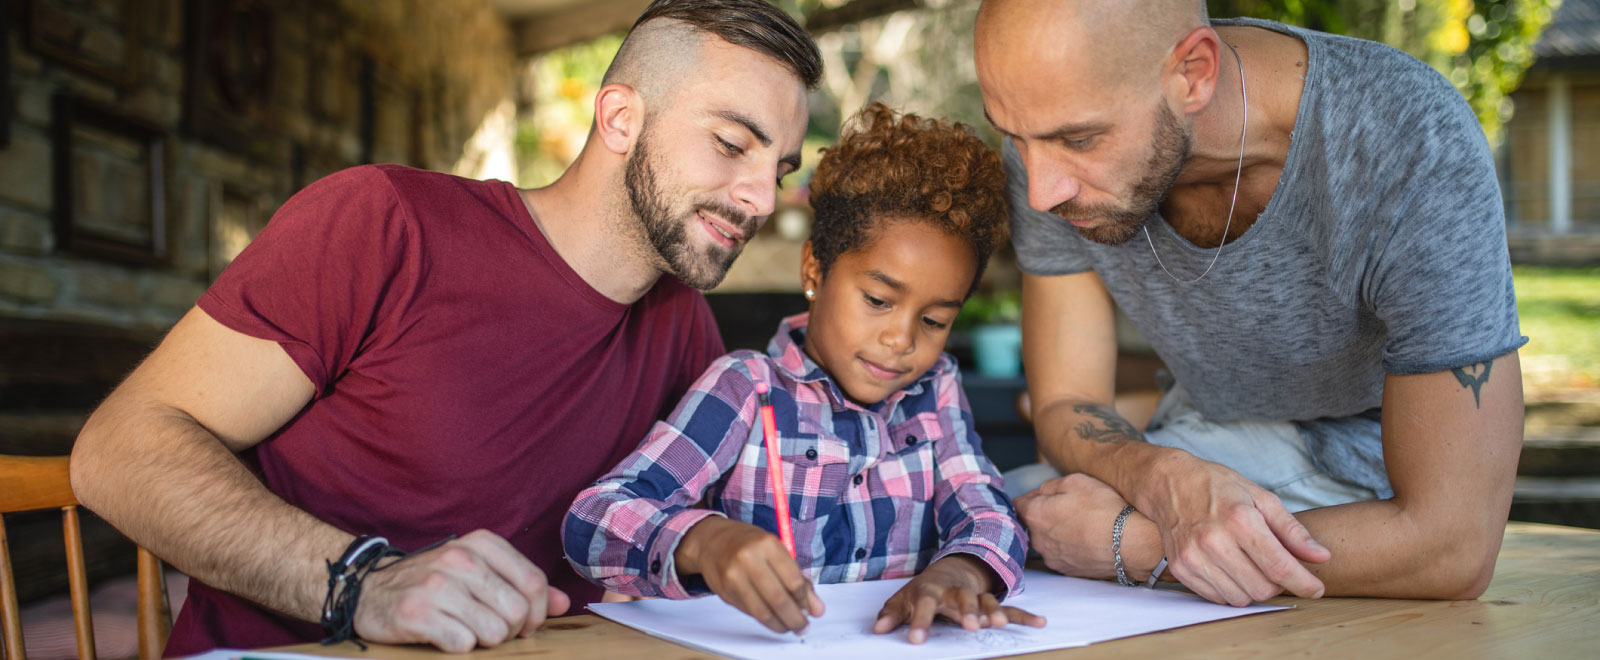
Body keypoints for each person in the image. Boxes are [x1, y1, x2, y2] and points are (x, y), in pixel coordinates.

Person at [68, 0, 820, 654]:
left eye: (779, 169)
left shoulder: (682, 325)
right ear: (621, 117)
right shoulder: (380, 221)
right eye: (731, 144)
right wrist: (365, 582)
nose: (760, 198)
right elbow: (117, 451)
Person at [972, 0, 1526, 607]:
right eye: (1012, 135)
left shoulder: (1405, 138)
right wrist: (1163, 479)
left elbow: (1455, 545)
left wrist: (1134, 544)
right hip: (1195, 436)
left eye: (1079, 139)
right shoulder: (1045, 144)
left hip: (1364, 480)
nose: (1043, 188)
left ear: (1194, 73)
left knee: (1025, 524)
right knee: (1004, 510)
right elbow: (1063, 402)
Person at [563, 103, 1046, 644]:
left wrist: (964, 569)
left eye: (934, 320)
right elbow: (595, 518)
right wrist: (705, 541)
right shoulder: (746, 387)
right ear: (814, 268)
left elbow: (987, 507)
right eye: (878, 299)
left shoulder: (935, 391)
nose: (903, 340)